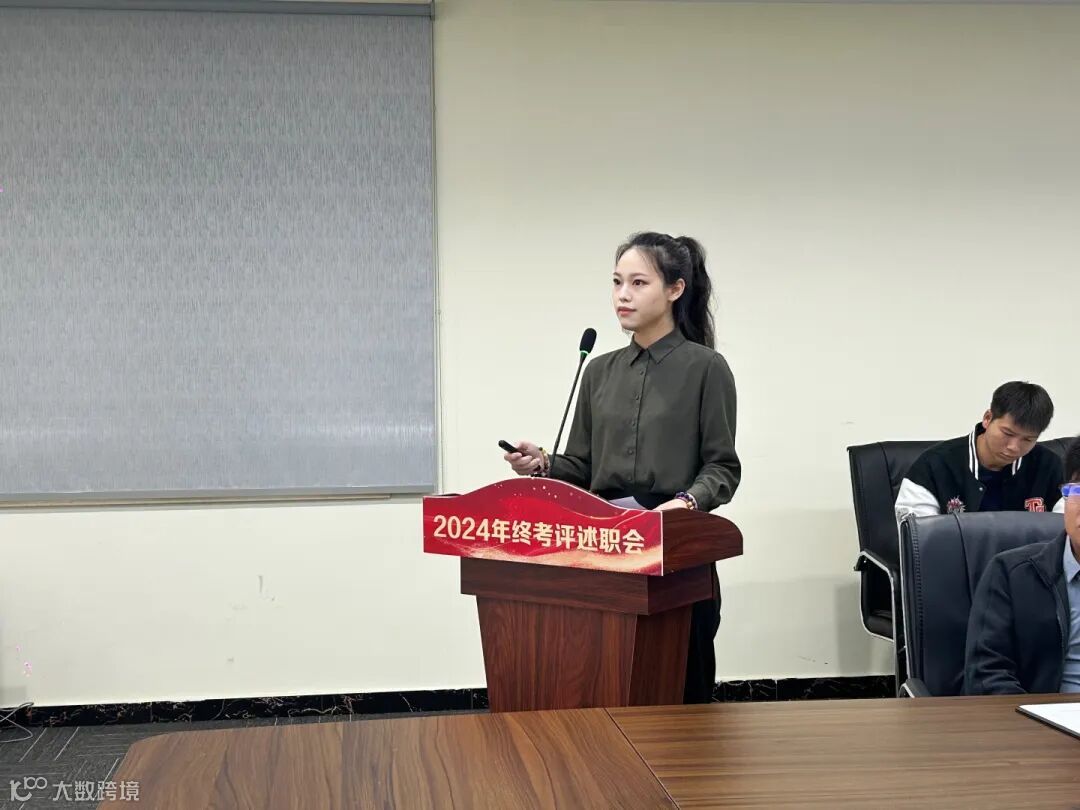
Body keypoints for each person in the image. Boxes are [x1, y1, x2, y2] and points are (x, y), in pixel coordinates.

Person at [503, 231, 740, 703]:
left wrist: (685, 503)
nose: (622, 296)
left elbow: (722, 467)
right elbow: (583, 465)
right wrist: (543, 463)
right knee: (607, 677)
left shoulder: (706, 368)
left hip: (674, 540)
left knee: (679, 681)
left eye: (638, 283)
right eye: (616, 282)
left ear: (675, 289)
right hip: (608, 542)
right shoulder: (599, 371)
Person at [964, 437, 1080, 694]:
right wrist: (1034, 716)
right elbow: (987, 675)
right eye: (1078, 492)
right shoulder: (1011, 574)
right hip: (1042, 715)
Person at [895, 382, 1063, 520]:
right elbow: (919, 540)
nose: (1014, 447)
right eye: (1007, 433)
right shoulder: (932, 466)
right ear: (987, 418)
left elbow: (1068, 533)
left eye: (1028, 440)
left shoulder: (1050, 466)